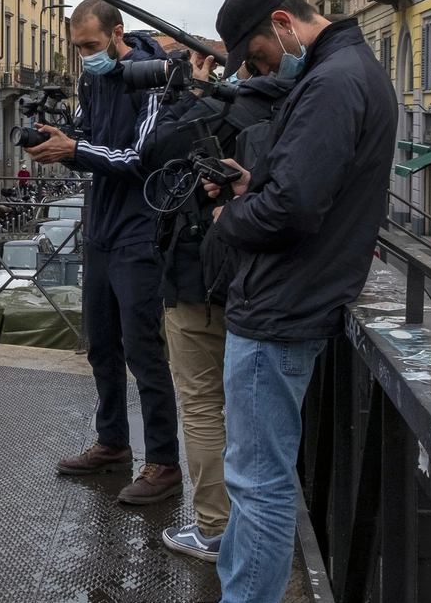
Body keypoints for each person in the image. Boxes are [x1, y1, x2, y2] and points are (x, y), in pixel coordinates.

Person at [204, 0, 395, 603]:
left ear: (283, 22)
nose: (258, 68)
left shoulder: (333, 83)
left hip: (281, 307)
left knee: (258, 482)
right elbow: (304, 183)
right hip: (295, 298)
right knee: (254, 478)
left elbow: (291, 211)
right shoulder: (347, 71)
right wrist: (248, 183)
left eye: (257, 55)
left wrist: (229, 218)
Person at [26, 0, 181, 505]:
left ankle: (163, 461)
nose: (84, 57)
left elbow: (140, 158)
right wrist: (61, 140)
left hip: (140, 231)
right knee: (101, 346)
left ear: (117, 35)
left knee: (143, 351)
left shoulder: (149, 75)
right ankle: (113, 444)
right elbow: (90, 140)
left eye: (91, 46)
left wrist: (76, 149)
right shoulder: (93, 79)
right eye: (77, 49)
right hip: (101, 230)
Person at [138, 52, 292, 563]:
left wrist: (195, 93)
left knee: (203, 405)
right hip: (270, 279)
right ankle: (265, 530)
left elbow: (153, 151)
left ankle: (215, 528)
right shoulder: (302, 103)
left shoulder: (219, 108)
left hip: (198, 280)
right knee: (260, 413)